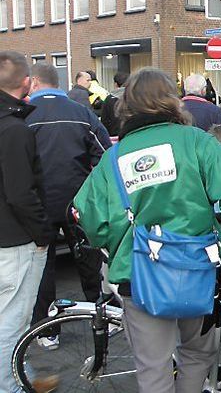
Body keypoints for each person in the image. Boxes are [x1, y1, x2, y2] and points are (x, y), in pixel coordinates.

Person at [73, 68, 221, 393]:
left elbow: (91, 217)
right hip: (197, 268)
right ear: (172, 101)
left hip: (138, 276)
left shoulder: (113, 158)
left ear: (126, 106)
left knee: (153, 369)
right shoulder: (199, 142)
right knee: (198, 355)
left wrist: (118, 244)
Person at [26, 63, 111, 345]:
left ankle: (47, 329)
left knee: (42, 265)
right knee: (89, 258)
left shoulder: (23, 117)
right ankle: (103, 316)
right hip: (78, 200)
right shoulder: (82, 113)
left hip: (39, 204)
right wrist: (90, 189)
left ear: (34, 82)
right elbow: (104, 154)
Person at [0, 52, 53, 393]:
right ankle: (11, 385)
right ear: (27, 82)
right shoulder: (15, 129)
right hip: (15, 240)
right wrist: (43, 233)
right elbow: (20, 193)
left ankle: (23, 374)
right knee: (13, 320)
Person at [99, 71, 129, 136]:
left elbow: (104, 120)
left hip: (114, 135)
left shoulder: (109, 99)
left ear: (115, 84)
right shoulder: (135, 97)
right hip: (131, 134)